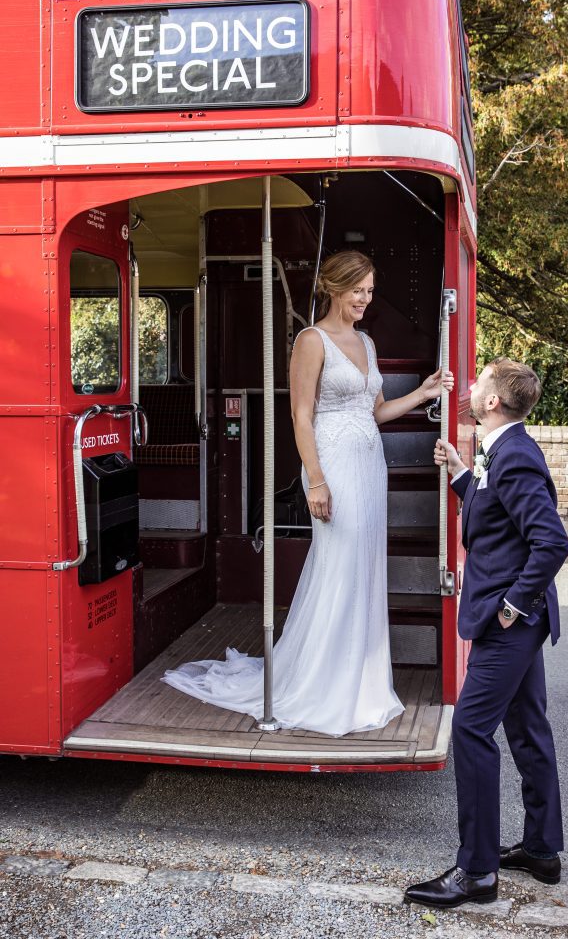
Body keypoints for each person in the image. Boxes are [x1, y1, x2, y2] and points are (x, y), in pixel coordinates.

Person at [163, 250, 453, 736]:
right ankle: (322, 683)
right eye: (359, 289)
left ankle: (359, 679)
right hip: (331, 466)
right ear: (335, 288)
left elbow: (376, 412)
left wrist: (423, 394)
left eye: (371, 289)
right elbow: (300, 417)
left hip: (368, 464)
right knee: (338, 567)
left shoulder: (366, 341)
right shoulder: (310, 340)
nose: (366, 298)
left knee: (362, 567)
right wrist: (315, 480)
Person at [405, 357, 568, 909]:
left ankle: (476, 873)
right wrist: (459, 473)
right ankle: (544, 850)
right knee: (527, 729)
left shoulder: (515, 456)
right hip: (520, 622)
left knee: (472, 732)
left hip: (510, 623)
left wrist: (511, 606)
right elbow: (494, 518)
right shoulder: (503, 451)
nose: (471, 387)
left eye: (479, 382)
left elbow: (552, 542)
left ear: (494, 401)